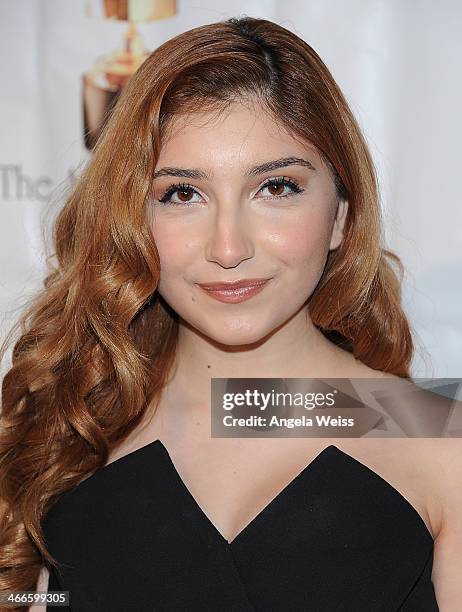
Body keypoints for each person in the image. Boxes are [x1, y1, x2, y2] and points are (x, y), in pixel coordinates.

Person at [0, 15, 460, 612]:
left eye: (276, 188)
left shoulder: (436, 438)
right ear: (130, 221)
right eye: (182, 194)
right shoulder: (70, 433)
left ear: (342, 215)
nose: (227, 248)